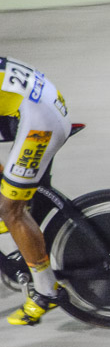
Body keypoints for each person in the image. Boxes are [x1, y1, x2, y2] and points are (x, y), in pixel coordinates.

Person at [0, 56, 73, 325]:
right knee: (9, 195)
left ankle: (47, 291)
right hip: (36, 105)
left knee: (10, 210)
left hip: (40, 119)